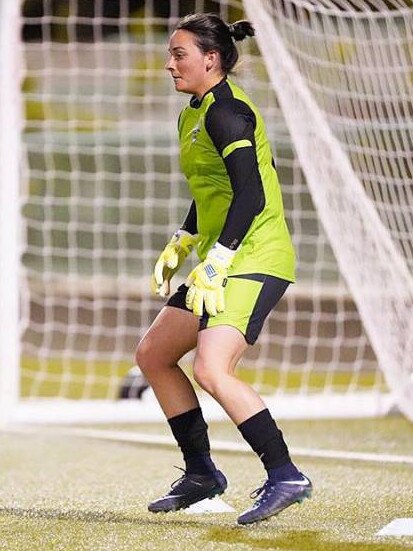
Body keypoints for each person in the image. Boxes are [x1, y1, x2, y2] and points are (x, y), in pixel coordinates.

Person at [135, 12, 312, 525]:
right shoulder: (191, 113)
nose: (169, 64)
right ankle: (201, 474)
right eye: (171, 54)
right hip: (223, 257)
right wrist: (184, 239)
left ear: (211, 59)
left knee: (212, 368)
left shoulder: (229, 113)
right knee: (154, 353)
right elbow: (213, 189)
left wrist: (216, 260)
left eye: (179, 54)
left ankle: (285, 474)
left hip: (255, 256)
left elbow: (251, 195)